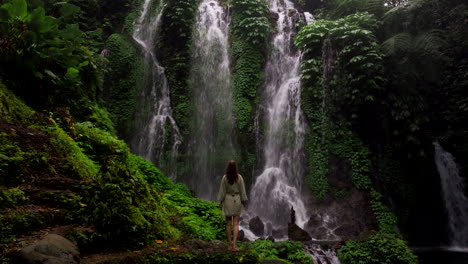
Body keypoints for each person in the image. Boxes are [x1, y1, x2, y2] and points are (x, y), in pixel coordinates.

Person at [217, 160, 248, 251]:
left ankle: (229, 245)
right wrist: (243, 201)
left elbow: (222, 192)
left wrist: (221, 202)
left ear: (228, 167)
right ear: (235, 168)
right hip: (237, 200)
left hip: (227, 200)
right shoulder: (239, 177)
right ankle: (234, 245)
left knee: (228, 224)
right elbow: (242, 191)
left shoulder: (224, 178)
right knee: (236, 224)